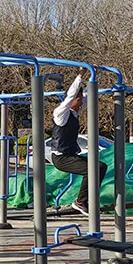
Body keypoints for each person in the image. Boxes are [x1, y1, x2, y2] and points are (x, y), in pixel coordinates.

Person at [50, 70, 107, 217]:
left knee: (101, 167)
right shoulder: (61, 114)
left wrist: (95, 75)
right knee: (92, 169)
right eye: (78, 99)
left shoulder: (75, 113)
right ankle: (80, 201)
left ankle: (88, 200)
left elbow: (88, 95)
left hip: (70, 155)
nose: (81, 102)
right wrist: (80, 76)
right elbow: (70, 96)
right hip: (61, 157)